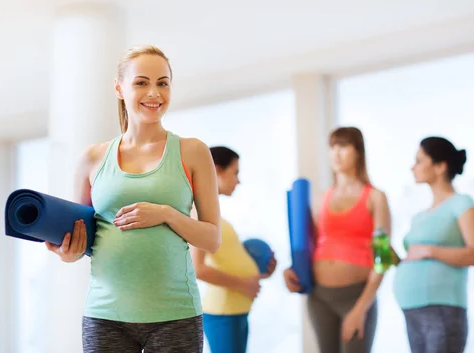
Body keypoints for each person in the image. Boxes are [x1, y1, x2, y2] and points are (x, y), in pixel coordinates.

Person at [43, 44, 221, 353]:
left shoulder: (193, 151)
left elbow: (212, 239)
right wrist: (68, 252)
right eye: (141, 82)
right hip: (105, 316)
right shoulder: (92, 158)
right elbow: (83, 238)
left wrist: (167, 214)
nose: (154, 92)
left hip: (175, 316)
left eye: (162, 83)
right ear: (119, 88)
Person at [283, 127, 391, 353]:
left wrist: (360, 309)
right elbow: (308, 247)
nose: (336, 153)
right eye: (332, 147)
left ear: (358, 152)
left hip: (356, 297)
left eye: (343, 146)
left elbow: (382, 258)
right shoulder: (321, 198)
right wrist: (291, 270)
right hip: (319, 298)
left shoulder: (375, 197)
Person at [393, 136, 474, 353]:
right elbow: (414, 259)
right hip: (412, 310)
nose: (412, 167)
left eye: (419, 160)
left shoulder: (462, 203)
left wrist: (429, 250)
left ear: (440, 167)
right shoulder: (419, 216)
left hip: (442, 311)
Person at [190, 146, 277, 353]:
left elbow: (228, 261)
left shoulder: (215, 214)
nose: (238, 181)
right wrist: (243, 285)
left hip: (235, 310)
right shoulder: (199, 211)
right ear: (217, 171)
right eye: (235, 173)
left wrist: (259, 273)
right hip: (222, 313)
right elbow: (197, 268)